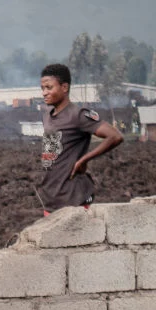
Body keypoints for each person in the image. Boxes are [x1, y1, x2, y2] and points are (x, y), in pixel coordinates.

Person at [38, 64, 124, 214]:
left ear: (64, 87)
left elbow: (115, 136)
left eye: (49, 88)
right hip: (51, 196)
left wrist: (84, 160)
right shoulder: (47, 114)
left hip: (73, 198)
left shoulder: (79, 115)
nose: (44, 93)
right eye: (42, 88)